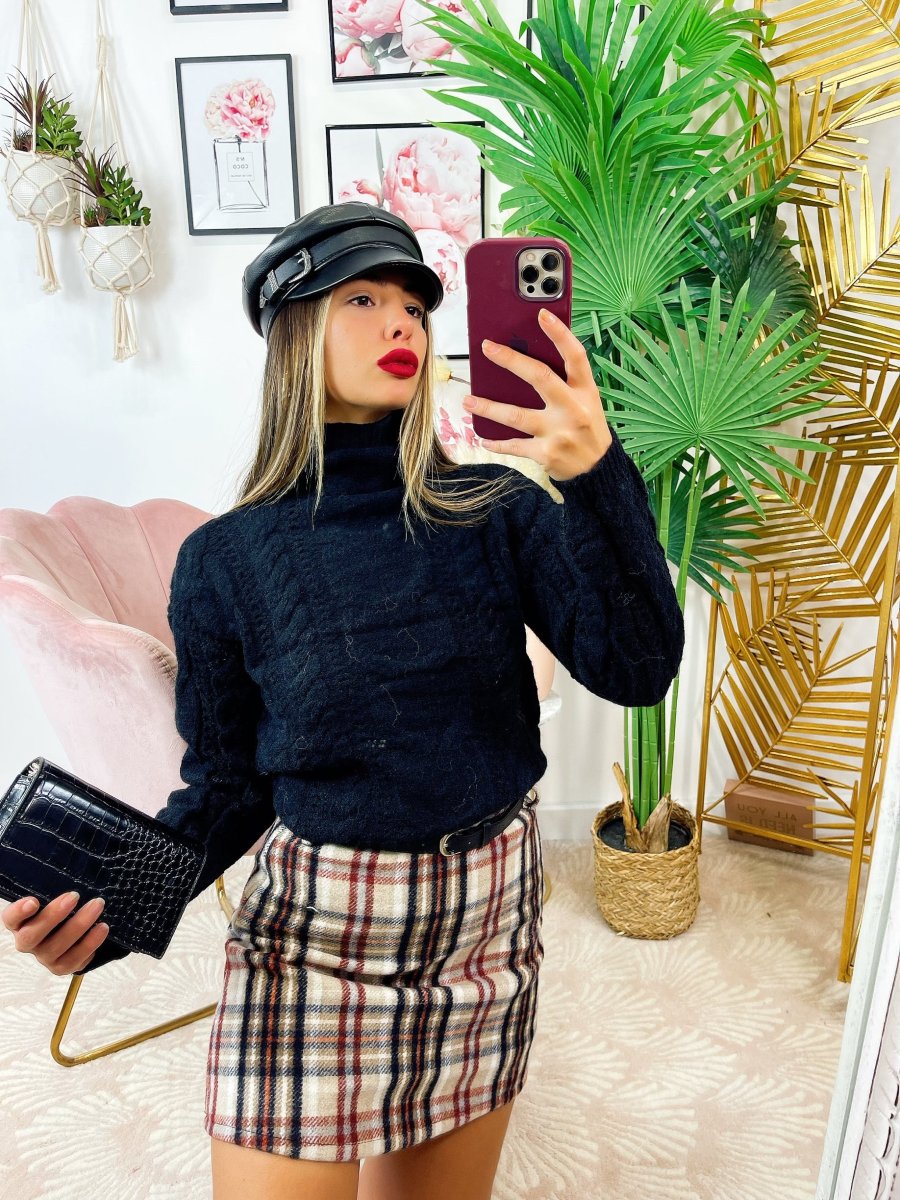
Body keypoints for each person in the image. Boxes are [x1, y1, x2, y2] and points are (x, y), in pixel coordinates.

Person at [2, 201, 685, 1200]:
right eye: (361, 298)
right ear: (294, 333)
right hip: (315, 938)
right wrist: (108, 913)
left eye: (414, 303)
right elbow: (228, 785)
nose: (400, 321)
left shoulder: (497, 510)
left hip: (483, 925)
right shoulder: (225, 561)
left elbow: (638, 667)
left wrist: (595, 475)